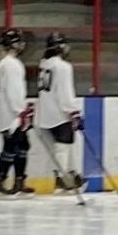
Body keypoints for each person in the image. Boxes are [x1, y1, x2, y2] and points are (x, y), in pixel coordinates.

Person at [35, 31, 84, 192]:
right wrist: (73, 110)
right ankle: (63, 178)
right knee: (63, 145)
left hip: (45, 111)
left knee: (65, 145)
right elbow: (65, 91)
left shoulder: (44, 64)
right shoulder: (63, 67)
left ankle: (71, 174)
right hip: (59, 113)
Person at [0, 28, 35, 195]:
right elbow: (13, 91)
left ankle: (19, 180)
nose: (23, 45)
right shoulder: (11, 64)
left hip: (9, 112)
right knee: (11, 146)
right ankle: (0, 179)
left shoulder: (6, 63)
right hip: (12, 114)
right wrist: (21, 111)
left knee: (22, 144)